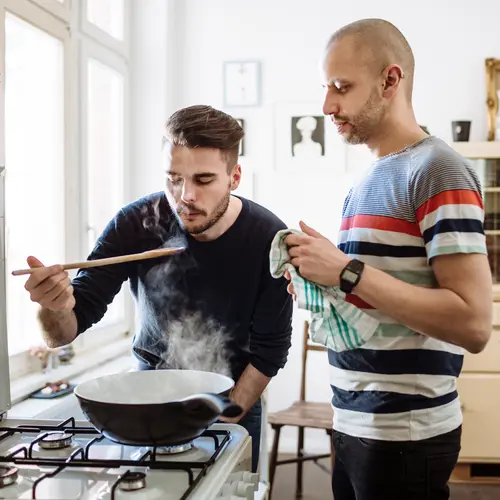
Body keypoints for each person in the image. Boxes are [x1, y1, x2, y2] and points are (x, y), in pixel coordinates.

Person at [284, 18, 492, 500]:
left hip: (407, 436)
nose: (327, 105)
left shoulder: (438, 170)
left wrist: (347, 271)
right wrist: (326, 288)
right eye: (325, 87)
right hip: (356, 422)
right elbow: (378, 299)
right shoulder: (366, 180)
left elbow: (474, 324)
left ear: (390, 80)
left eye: (341, 87)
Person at [22, 104, 293, 473]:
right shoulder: (134, 224)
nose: (185, 196)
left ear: (235, 177)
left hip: (232, 398)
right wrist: (52, 305)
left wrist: (223, 418)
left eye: (203, 179)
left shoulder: (270, 238)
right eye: (174, 178)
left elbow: (270, 349)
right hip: (148, 393)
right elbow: (64, 332)